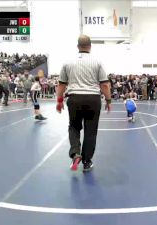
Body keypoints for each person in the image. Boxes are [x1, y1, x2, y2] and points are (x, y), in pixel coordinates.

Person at [56, 35, 111, 172]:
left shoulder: (68, 62)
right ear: (90, 46)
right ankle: (87, 162)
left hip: (74, 99)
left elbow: (61, 85)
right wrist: (108, 100)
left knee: (74, 127)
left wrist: (59, 101)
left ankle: (75, 153)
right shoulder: (97, 62)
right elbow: (104, 85)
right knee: (90, 131)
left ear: (77, 46)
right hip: (93, 100)